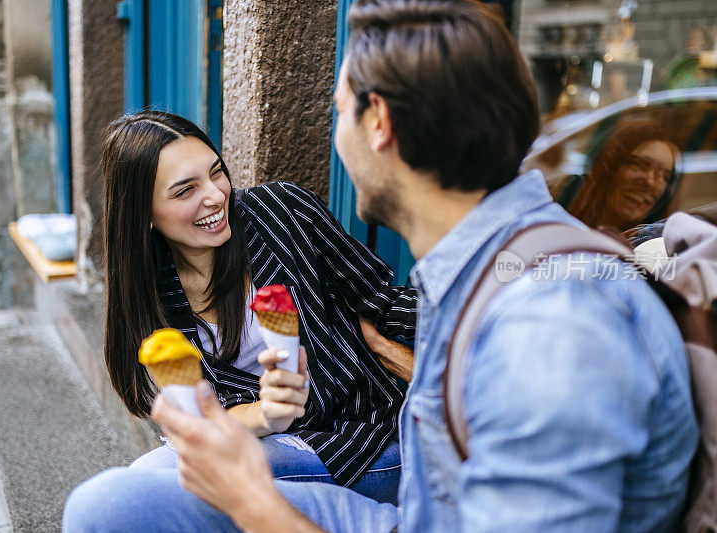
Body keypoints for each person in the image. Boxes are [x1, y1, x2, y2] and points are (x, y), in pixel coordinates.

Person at [64, 1, 697, 531]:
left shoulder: (550, 325)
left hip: (394, 485)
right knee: (109, 505)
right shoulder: (481, 266)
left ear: (379, 124)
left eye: (338, 108)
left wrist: (250, 501)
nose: (218, 194)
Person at [97, 110, 418, 502]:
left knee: (145, 496)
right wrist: (269, 412)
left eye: (216, 172)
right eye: (185, 191)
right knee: (134, 491)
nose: (216, 195)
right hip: (258, 440)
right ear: (143, 215)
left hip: (363, 444)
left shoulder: (281, 212)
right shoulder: (152, 293)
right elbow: (206, 414)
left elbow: (384, 302)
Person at [569, 120, 680, 232]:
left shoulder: (654, 246)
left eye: (664, 176)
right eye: (639, 164)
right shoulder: (562, 222)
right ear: (608, 166)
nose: (650, 182)